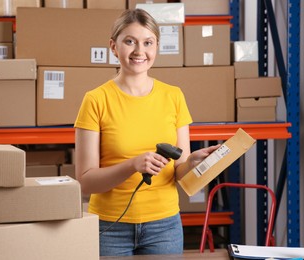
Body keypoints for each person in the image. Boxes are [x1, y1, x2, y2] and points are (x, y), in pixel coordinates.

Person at [74, 9, 220, 256]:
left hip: (164, 226)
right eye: (129, 41)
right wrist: (132, 165)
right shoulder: (96, 100)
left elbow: (178, 172)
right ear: (113, 46)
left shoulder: (173, 96)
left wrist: (192, 163)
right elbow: (85, 182)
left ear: (157, 47)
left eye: (148, 43)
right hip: (109, 226)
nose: (139, 51)